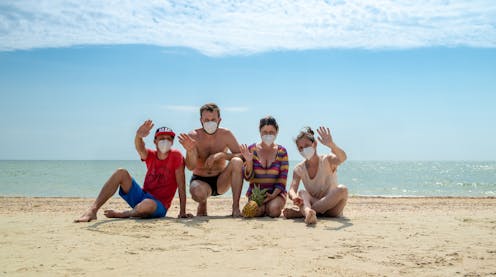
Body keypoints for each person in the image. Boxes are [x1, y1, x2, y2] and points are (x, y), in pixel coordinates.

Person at [75, 120, 192, 222]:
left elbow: (181, 186)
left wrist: (182, 211)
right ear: (155, 141)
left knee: (147, 203)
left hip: (158, 205)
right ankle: (93, 210)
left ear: (172, 142)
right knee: (121, 172)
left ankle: (124, 214)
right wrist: (138, 136)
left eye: (168, 139)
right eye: (161, 138)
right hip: (142, 196)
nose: (165, 141)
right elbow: (140, 149)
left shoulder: (176, 156)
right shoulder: (151, 155)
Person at [178, 103, 243, 217]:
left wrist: (221, 155)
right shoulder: (193, 136)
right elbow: (190, 167)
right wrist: (190, 151)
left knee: (237, 161)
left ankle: (236, 207)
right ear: (201, 120)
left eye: (213, 119)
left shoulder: (226, 134)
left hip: (221, 181)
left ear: (219, 120)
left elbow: (241, 156)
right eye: (206, 120)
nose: (210, 122)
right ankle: (202, 203)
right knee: (198, 193)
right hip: (200, 180)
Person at [283, 126, 348, 225]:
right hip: (314, 202)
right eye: (301, 148)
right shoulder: (299, 169)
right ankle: (309, 213)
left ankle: (303, 212)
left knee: (343, 189)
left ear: (315, 144)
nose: (304, 149)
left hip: (333, 208)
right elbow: (292, 188)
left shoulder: (328, 160)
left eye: (307, 145)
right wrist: (294, 196)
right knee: (302, 192)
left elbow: (343, 158)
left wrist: (332, 145)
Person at [240, 116, 288, 217]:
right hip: (256, 195)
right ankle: (263, 209)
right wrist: (249, 162)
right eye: (265, 132)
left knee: (274, 211)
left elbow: (282, 179)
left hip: (276, 194)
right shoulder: (251, 149)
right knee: (257, 212)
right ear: (260, 132)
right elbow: (248, 178)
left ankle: (269, 206)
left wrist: (273, 195)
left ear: (277, 132)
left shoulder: (282, 151)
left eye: (271, 132)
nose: (268, 135)